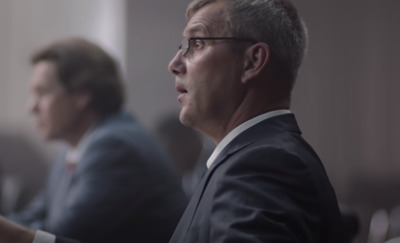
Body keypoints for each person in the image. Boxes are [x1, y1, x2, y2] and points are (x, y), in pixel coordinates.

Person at [167, 0, 343, 242]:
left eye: (197, 43)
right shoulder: (251, 158)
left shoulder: (261, 166)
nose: (174, 64)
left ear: (252, 61)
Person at [4, 37, 188, 243]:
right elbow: (30, 218)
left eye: (42, 92)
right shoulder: (72, 151)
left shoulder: (116, 147)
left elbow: (62, 235)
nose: (32, 107)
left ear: (82, 94)